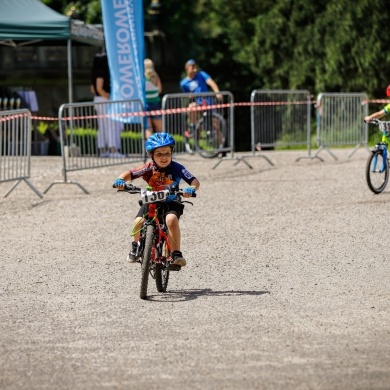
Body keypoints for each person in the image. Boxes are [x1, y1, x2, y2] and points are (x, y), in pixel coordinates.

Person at [112, 132, 200, 267]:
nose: (164, 157)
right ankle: (136, 246)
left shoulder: (177, 167)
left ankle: (176, 253)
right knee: (138, 221)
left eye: (167, 153)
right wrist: (120, 180)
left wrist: (191, 189)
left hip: (171, 202)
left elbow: (194, 181)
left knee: (171, 220)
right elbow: (130, 173)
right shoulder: (148, 168)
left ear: (172, 153)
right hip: (151, 200)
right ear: (151, 155)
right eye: (159, 154)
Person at [91, 50, 124, 158]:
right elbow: (99, 88)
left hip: (98, 100)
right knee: (110, 126)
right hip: (104, 100)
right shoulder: (101, 73)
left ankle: (103, 149)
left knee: (102, 126)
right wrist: (109, 97)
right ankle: (112, 149)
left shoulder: (94, 73)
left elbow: (92, 89)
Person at [180, 59, 222, 128]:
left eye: (195, 65)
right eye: (192, 66)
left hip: (208, 101)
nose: (194, 67)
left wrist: (217, 92)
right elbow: (188, 94)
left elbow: (211, 83)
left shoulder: (202, 74)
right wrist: (190, 96)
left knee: (216, 124)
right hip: (198, 103)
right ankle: (197, 127)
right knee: (190, 108)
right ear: (186, 68)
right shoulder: (183, 83)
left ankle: (219, 136)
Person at [144, 58, 163, 139]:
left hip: (146, 104)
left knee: (149, 129)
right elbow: (159, 90)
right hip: (155, 104)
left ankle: (150, 149)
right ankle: (161, 148)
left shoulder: (142, 78)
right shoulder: (155, 77)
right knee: (160, 129)